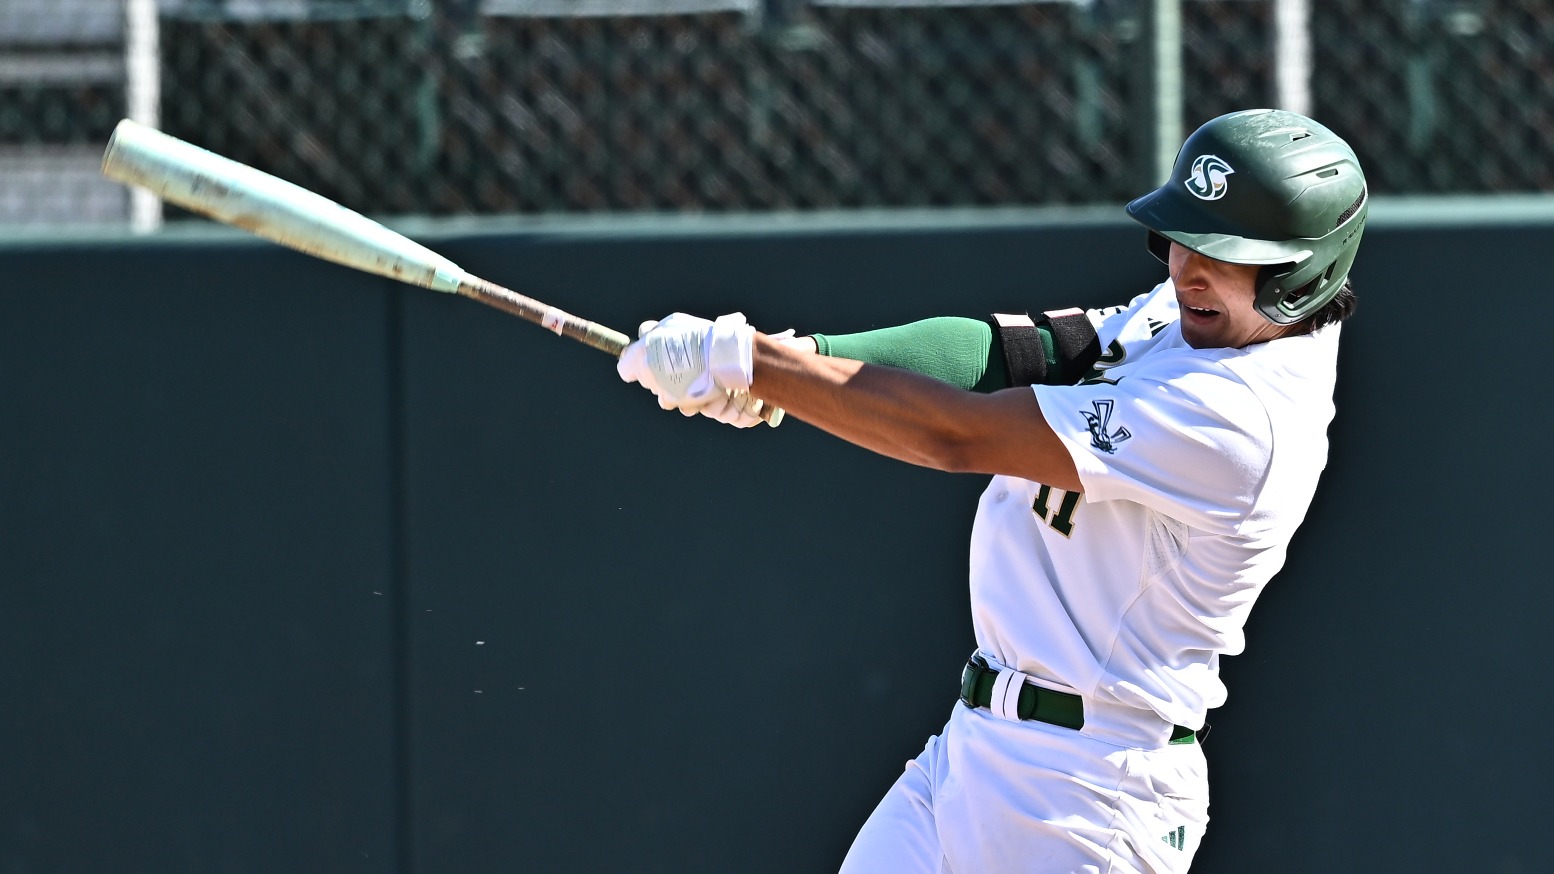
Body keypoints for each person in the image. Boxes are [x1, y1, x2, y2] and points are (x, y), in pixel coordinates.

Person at [616, 108, 1367, 873]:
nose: (1184, 268)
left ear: (1300, 275)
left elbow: (959, 435)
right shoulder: (1194, 318)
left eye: (1223, 253)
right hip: (973, 751)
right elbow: (1016, 352)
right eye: (1183, 237)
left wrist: (756, 367)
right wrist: (801, 359)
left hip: (1091, 797)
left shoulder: (1247, 415)